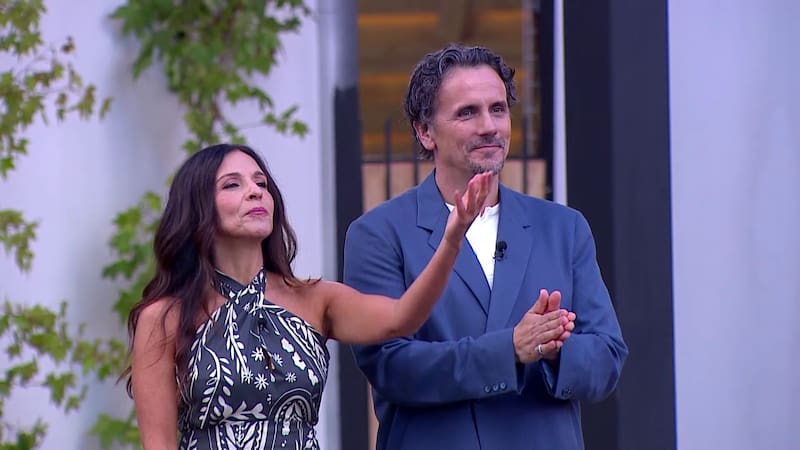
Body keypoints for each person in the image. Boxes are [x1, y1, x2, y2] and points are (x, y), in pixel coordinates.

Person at [343, 44, 628, 450]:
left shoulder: (564, 228)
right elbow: (390, 366)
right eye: (467, 113)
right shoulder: (378, 235)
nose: (489, 126)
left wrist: (551, 349)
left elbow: (607, 357)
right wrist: (509, 349)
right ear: (425, 132)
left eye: (498, 109)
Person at [124, 143, 491, 450]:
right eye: (232, 185)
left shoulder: (315, 299)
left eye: (261, 183)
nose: (255, 191)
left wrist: (450, 241)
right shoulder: (164, 318)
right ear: (197, 208)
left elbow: (402, 318)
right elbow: (158, 444)